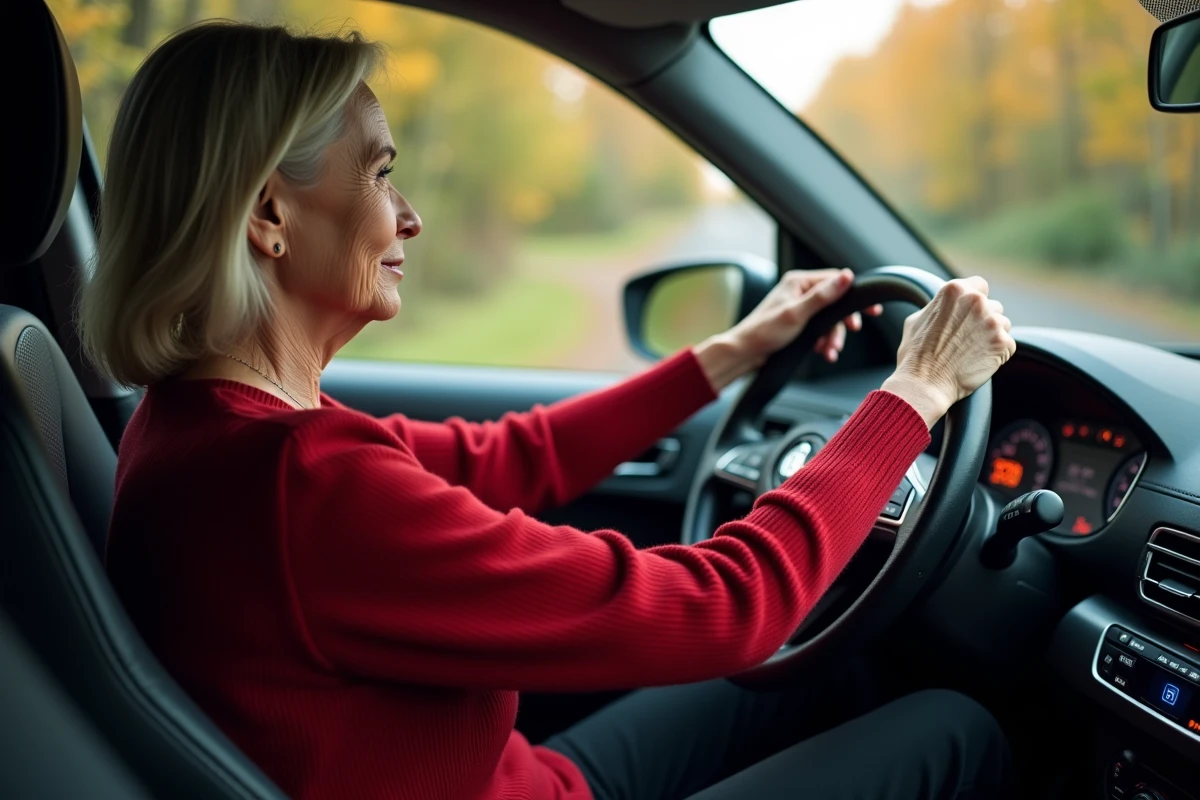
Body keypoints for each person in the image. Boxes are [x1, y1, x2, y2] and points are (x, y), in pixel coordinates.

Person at [79, 21, 1017, 800]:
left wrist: (728, 354)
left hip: (526, 779)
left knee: (840, 666)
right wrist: (917, 392)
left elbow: (508, 456)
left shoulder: (202, 428)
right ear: (269, 216)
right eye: (378, 174)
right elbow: (732, 607)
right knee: (959, 728)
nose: (409, 217)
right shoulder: (303, 485)